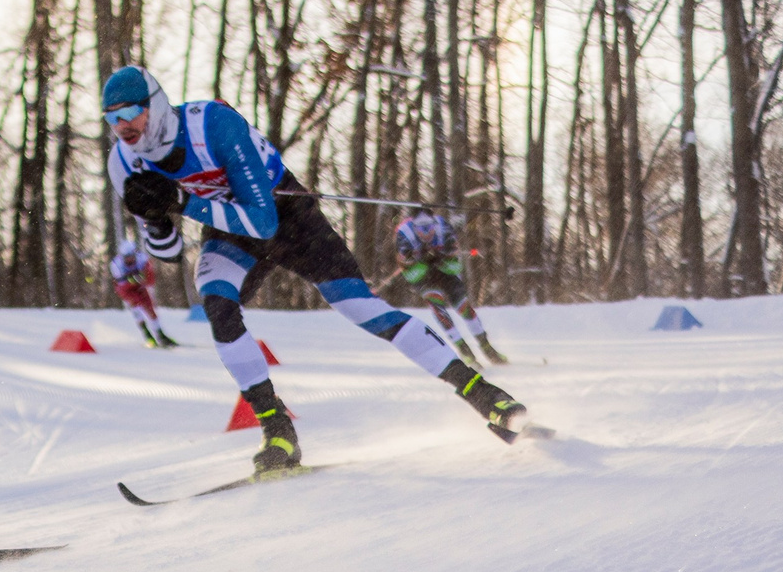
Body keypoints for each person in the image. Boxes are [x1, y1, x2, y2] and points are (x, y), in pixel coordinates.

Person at [100, 65, 531, 474]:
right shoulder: (124, 162)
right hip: (229, 229)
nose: (122, 125)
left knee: (363, 310)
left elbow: (263, 221)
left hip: (287, 214)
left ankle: (483, 394)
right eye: (112, 118)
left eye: (130, 113)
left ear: (155, 104)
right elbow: (169, 253)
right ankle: (278, 434)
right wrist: (156, 217)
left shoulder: (211, 125)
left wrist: (183, 203)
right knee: (218, 305)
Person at [392, 210, 508, 365]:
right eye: (421, 229)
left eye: (429, 228)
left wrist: (441, 256)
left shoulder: (443, 227)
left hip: (445, 270)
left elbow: (455, 259)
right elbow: (404, 263)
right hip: (421, 273)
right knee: (437, 305)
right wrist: (419, 259)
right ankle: (465, 351)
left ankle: (486, 346)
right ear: (414, 227)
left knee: (463, 306)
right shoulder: (404, 233)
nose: (426, 233)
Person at [109, 240, 179, 348]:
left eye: (130, 256)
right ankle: (148, 335)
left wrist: (140, 278)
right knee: (136, 308)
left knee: (150, 309)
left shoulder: (143, 259)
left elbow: (150, 280)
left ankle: (160, 335)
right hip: (127, 290)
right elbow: (122, 285)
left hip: (140, 287)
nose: (129, 259)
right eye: (126, 257)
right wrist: (136, 279)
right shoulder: (116, 264)